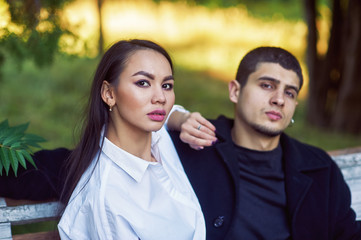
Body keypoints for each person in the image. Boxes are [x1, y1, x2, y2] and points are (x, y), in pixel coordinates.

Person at [169, 46, 361, 239]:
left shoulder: (320, 168)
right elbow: (143, 125)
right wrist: (176, 118)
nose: (279, 100)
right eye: (267, 85)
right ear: (235, 91)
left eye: (290, 93)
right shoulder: (195, 141)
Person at [53, 39, 209, 240]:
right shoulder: (108, 201)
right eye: (143, 83)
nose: (160, 97)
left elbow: (167, 113)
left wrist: (182, 118)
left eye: (167, 85)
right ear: (109, 94)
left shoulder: (158, 137)